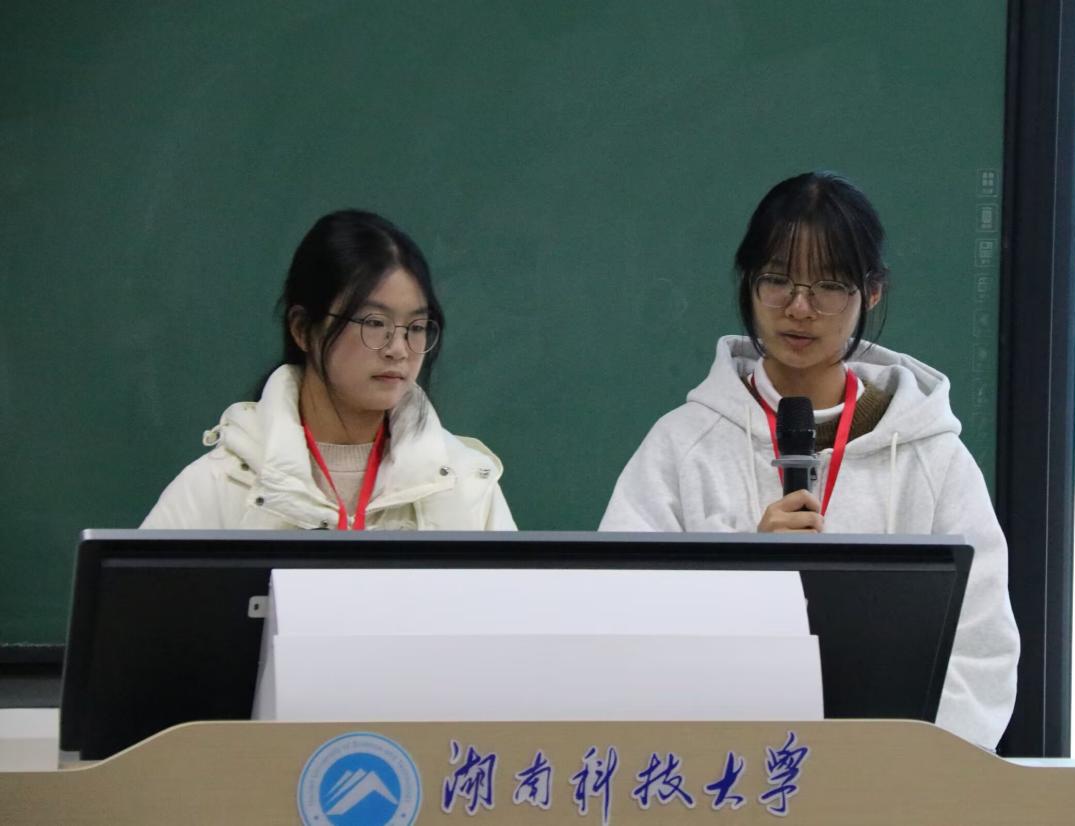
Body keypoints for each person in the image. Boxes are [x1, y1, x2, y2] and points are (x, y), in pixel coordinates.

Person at [600, 172, 1018, 748]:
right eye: (777, 281)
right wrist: (742, 576)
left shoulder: (931, 456)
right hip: (723, 777)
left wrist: (896, 769)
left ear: (872, 291)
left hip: (885, 779)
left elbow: (981, 652)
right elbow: (619, 626)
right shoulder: (682, 444)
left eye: (829, 286)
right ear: (748, 282)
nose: (799, 309)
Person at [142, 209, 515, 531]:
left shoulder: (467, 486)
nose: (399, 349)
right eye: (374, 323)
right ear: (303, 329)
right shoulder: (221, 485)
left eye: (416, 327)